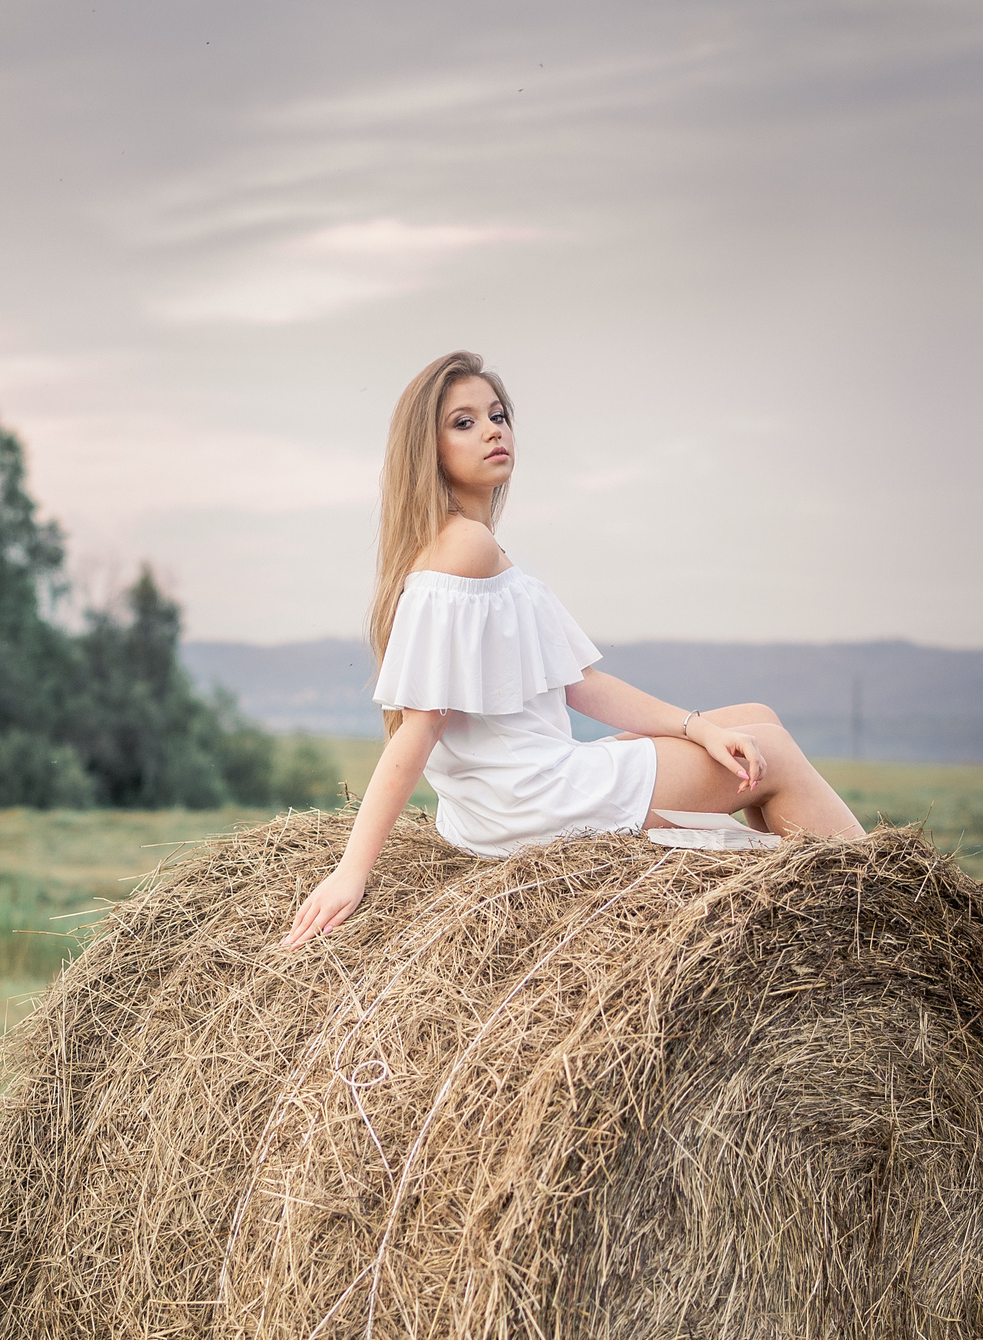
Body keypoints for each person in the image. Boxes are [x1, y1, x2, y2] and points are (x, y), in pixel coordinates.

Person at [285, 350, 863, 949]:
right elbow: (419, 727)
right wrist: (351, 872)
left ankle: (786, 922)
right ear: (427, 451)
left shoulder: (469, 547)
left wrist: (697, 728)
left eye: (498, 414)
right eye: (464, 422)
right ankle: (869, 926)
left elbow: (578, 683)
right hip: (529, 800)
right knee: (776, 754)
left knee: (753, 723)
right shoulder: (465, 549)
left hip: (511, 794)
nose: (492, 430)